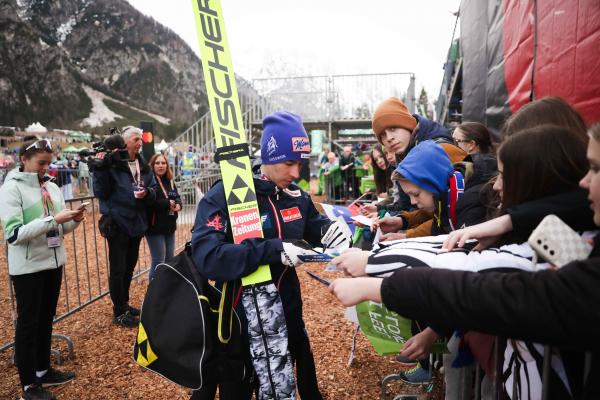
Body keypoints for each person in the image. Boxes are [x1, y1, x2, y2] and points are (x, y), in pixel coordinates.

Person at [330, 124, 592, 398]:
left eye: (595, 168)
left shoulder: (480, 208)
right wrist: (510, 220)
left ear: (536, 177)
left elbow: (469, 270)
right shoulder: (558, 234)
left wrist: (375, 270)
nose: (496, 185)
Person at [191, 111, 349, 400]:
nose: (296, 173)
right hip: (240, 320)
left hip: (288, 311)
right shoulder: (226, 195)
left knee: (288, 384)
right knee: (238, 388)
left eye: (300, 164)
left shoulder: (296, 196)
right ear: (268, 155)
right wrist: (274, 250)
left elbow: (314, 227)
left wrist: (333, 230)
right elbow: (208, 257)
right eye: (289, 163)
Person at [0, 137, 85, 400]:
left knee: (46, 318)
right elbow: (14, 234)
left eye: (49, 163)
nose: (46, 168)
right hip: (28, 268)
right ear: (23, 159)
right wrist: (53, 220)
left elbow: (60, 227)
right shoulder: (11, 189)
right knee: (28, 324)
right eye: (41, 163)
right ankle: (29, 385)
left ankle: (43, 370)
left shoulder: (51, 186)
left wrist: (74, 219)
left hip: (53, 262)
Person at [91, 126, 156, 328]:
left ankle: (124, 304)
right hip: (118, 223)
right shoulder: (111, 163)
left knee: (129, 266)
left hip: (137, 222)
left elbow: (153, 187)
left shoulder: (143, 164)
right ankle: (119, 311)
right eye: (136, 139)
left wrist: (148, 193)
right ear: (124, 142)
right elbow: (101, 192)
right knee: (118, 269)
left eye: (141, 139)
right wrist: (100, 169)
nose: (140, 143)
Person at [146, 153, 182, 280]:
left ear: (167, 165)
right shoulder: (149, 181)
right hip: (155, 226)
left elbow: (176, 196)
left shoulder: (170, 181)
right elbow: (149, 202)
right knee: (158, 261)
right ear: (152, 165)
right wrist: (168, 203)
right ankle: (153, 289)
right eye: (157, 163)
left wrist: (178, 204)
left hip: (169, 225)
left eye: (163, 163)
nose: (161, 166)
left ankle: (165, 287)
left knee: (170, 259)